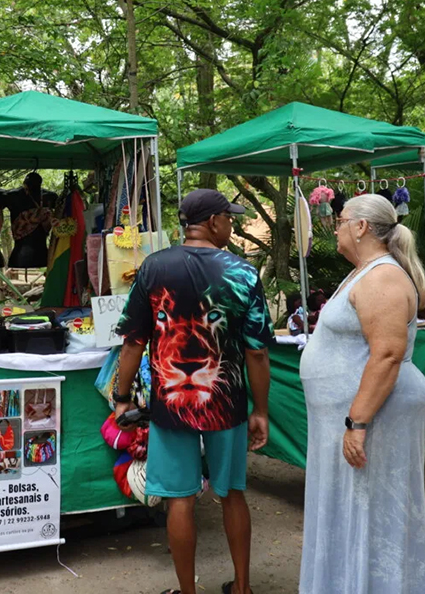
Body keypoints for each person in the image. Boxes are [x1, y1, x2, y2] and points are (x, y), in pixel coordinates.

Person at [115, 189, 273, 594]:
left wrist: (122, 397)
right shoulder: (242, 273)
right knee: (232, 492)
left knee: (180, 499)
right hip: (227, 403)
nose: (232, 225)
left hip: (170, 405)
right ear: (215, 221)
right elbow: (257, 352)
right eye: (230, 218)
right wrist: (260, 410)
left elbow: (133, 342)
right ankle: (242, 588)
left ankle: (188, 592)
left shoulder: (153, 267)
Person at [299, 194, 425, 593]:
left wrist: (357, 422)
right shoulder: (365, 273)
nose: (335, 229)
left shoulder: (383, 277)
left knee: (374, 511)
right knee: (353, 508)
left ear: (360, 227)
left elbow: (388, 354)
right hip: (358, 418)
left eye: (340, 221)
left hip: (376, 417)